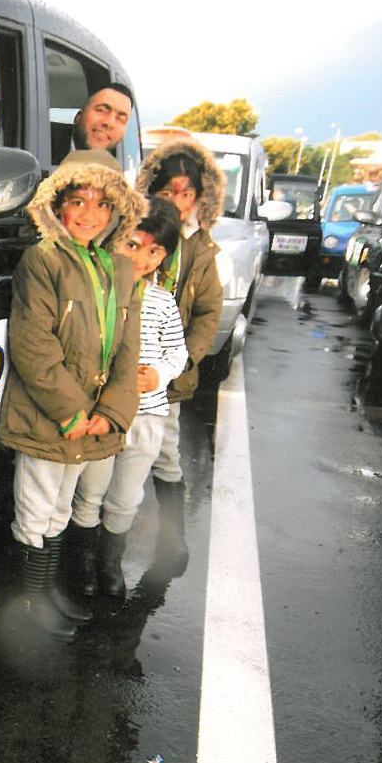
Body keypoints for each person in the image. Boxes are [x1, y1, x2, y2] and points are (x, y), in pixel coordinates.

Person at [0, 149, 146, 642]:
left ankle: (50, 592)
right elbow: (33, 344)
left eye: (103, 205)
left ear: (118, 214)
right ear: (56, 205)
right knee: (36, 509)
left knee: (61, 508)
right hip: (49, 417)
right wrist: (73, 411)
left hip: (91, 421)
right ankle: (31, 601)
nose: (89, 214)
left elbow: (128, 348)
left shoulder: (117, 270)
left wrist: (112, 413)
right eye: (77, 200)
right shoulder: (42, 261)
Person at [66, 198, 188, 599]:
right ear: (115, 240)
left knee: (126, 495)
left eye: (154, 251)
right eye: (132, 245)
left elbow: (177, 352)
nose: (142, 258)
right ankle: (82, 563)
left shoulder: (162, 300)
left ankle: (109, 563)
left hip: (148, 414)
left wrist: (159, 375)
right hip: (102, 413)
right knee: (90, 490)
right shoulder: (96, 292)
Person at [135, 137, 225, 576]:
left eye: (186, 193)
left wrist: (181, 361)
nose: (177, 201)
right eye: (167, 192)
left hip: (167, 377)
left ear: (198, 199)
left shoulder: (201, 249)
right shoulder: (137, 236)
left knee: (165, 453)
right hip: (124, 371)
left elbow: (208, 311)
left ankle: (173, 538)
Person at [51, 83, 134, 162]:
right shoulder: (44, 142)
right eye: (101, 110)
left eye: (120, 119)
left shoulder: (114, 172)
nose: (109, 123)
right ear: (78, 117)